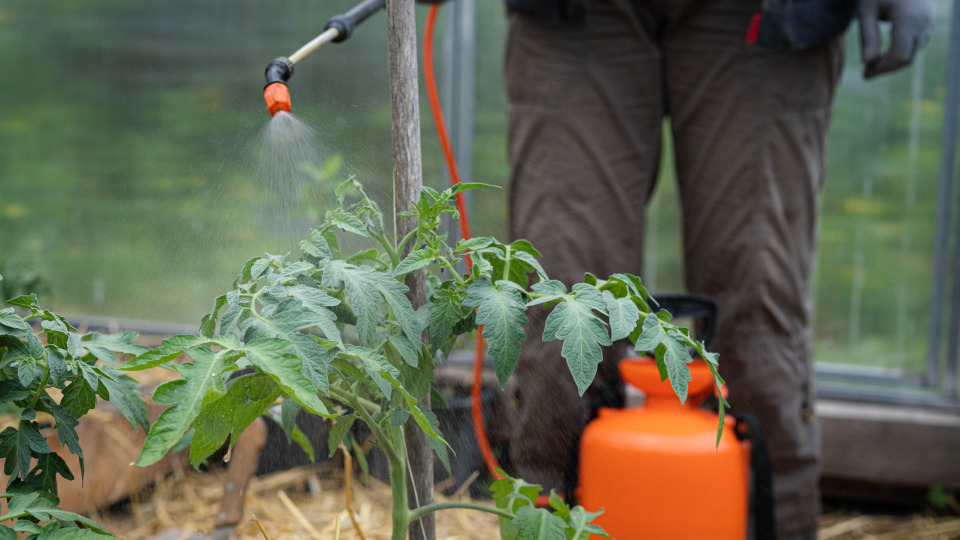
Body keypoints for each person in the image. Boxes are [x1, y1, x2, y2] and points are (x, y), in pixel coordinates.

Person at [502, 0, 932, 539]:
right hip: (582, 15)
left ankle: (772, 524)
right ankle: (547, 523)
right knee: (563, 307)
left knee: (754, 309)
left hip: (759, 15)